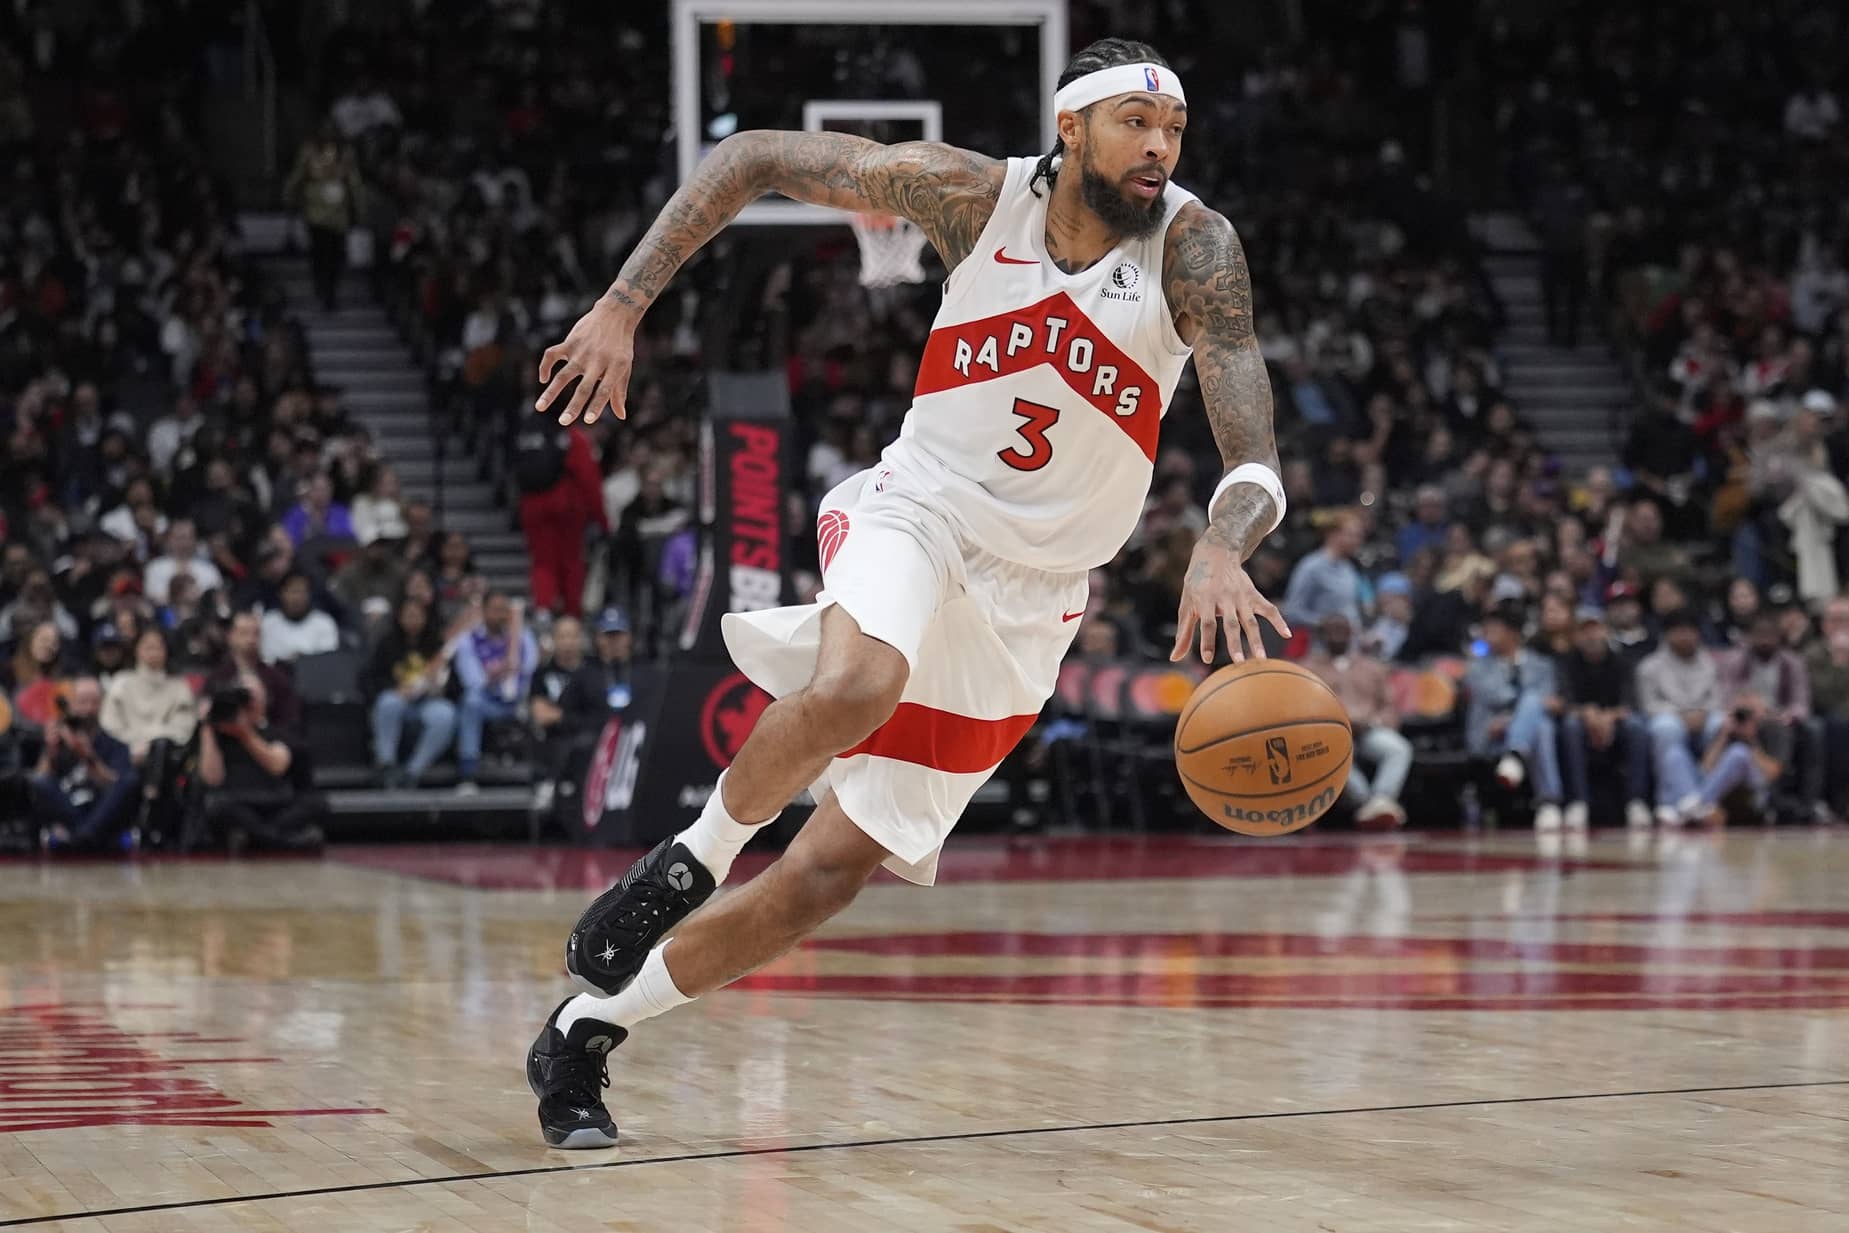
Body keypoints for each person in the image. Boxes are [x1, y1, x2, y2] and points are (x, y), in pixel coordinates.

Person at [519, 38, 1290, 1148]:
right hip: (916, 509)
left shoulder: (1194, 247)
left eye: (1171, 130)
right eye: (1134, 123)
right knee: (858, 683)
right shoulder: (972, 196)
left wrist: (1224, 543)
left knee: (827, 874)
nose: (1158, 149)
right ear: (1069, 129)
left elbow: (1250, 446)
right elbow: (751, 158)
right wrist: (622, 306)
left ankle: (586, 1031)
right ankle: (686, 860)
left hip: (1035, 597)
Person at [1717, 609, 1826, 822]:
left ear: (1780, 637)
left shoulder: (1792, 662)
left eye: (1770, 635)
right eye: (1760, 635)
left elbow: (1801, 702)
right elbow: (1727, 698)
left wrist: (1788, 715)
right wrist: (1756, 711)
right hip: (1747, 718)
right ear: (1749, 637)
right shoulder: (1735, 661)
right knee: (1774, 733)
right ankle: (1773, 800)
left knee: (1813, 730)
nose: (1765, 640)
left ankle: (1809, 803)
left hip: (1782, 718)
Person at [1302, 614, 1409, 828]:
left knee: (1399, 748)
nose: (1338, 635)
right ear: (1321, 636)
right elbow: (1302, 709)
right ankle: (1371, 804)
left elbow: (1389, 706)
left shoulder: (1371, 667)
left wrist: (1373, 723)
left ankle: (1380, 798)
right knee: (1331, 755)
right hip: (1330, 734)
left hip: (1370, 729)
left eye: (1342, 630)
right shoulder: (1307, 669)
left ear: (1351, 634)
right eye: (1332, 630)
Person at [196, 675, 326, 851]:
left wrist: (245, 733)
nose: (249, 701)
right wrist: (207, 726)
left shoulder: (279, 731)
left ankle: (257, 838)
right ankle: (284, 841)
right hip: (239, 802)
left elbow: (277, 766)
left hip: (276, 801)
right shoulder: (218, 736)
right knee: (217, 805)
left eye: (254, 694)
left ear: (265, 698)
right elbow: (211, 778)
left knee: (315, 803)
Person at [1464, 605, 1564, 829]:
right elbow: (1499, 697)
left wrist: (1513, 722)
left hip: (1517, 730)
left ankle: (1515, 754)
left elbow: (1550, 700)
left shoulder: (1542, 665)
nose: (1486, 635)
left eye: (1493, 630)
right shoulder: (1478, 668)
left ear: (1513, 633)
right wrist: (1527, 712)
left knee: (1541, 725)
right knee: (1534, 706)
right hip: (1490, 734)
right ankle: (1549, 801)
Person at [1556, 609, 1652, 830]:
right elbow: (1565, 702)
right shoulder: (1568, 662)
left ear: (1606, 631)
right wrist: (1587, 714)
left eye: (1596, 629)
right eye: (1585, 631)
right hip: (1581, 724)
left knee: (1637, 726)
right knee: (1570, 726)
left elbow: (1631, 703)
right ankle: (1578, 802)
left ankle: (1636, 801)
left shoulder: (1622, 661)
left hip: (1616, 723)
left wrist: (1607, 717)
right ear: (1577, 636)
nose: (1591, 636)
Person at [1635, 608, 1726, 825]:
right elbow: (1648, 705)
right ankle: (1669, 801)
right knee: (1666, 729)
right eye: (1679, 631)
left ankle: (1708, 795)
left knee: (1721, 724)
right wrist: (1680, 716)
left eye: (1689, 631)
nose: (1685, 636)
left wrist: (1703, 713)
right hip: (1669, 716)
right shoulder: (1650, 666)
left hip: (1704, 716)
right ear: (1667, 635)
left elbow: (1718, 698)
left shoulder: (1711, 663)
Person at [100, 628, 197, 828]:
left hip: (167, 757)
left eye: (158, 647)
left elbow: (183, 728)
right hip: (127, 752)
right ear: (136, 650)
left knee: (161, 748)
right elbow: (110, 724)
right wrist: (135, 745)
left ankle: (151, 809)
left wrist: (150, 743)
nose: (153, 652)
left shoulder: (179, 687)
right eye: (147, 647)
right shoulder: (122, 683)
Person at [29, 677, 138, 851]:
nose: (88, 709)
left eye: (93, 702)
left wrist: (89, 757)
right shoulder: (59, 738)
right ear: (71, 704)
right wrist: (50, 752)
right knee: (38, 781)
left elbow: (115, 785)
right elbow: (40, 779)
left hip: (100, 809)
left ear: (101, 705)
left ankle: (81, 836)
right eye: (82, 702)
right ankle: (86, 835)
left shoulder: (116, 744)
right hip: (69, 808)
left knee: (129, 780)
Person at [362, 596, 457, 789]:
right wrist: (394, 688)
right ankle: (386, 763)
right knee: (388, 702)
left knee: (445, 715)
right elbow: (369, 679)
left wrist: (439, 686)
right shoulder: (387, 643)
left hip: (427, 702)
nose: (413, 620)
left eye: (417, 615)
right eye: (408, 615)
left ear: (425, 617)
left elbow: (454, 682)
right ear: (399, 617)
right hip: (398, 700)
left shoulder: (437, 645)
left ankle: (413, 770)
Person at [452, 591, 539, 794]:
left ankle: (541, 774)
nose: (500, 615)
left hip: (520, 701)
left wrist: (514, 678)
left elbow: (531, 670)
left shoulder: (523, 636)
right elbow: (472, 681)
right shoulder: (469, 639)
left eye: (504, 610)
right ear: (483, 612)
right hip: (489, 701)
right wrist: (497, 674)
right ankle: (468, 773)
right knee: (471, 702)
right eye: (495, 610)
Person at [206, 611, 301, 735]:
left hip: (269, 741)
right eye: (244, 633)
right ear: (230, 636)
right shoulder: (217, 677)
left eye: (256, 634)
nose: (251, 640)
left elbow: (289, 719)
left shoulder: (277, 677)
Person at [1804, 595, 1849, 816]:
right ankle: (1839, 801)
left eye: (1845, 619)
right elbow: (1821, 696)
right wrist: (1840, 662)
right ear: (1824, 624)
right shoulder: (1813, 654)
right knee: (1837, 727)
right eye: (1835, 619)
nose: (1840, 626)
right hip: (1829, 716)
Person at [1281, 512, 1364, 631]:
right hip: (1316, 645)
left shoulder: (1349, 569)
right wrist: (1324, 623)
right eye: (1352, 535)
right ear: (1333, 534)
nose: (1357, 541)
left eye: (1359, 536)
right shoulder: (1311, 567)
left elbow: (1351, 612)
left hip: (1347, 646)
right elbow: (1292, 611)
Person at [260, 572, 341, 664]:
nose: (298, 598)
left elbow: (329, 662)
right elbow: (265, 660)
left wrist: (303, 661)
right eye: (294, 591)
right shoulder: (268, 622)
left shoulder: (324, 623)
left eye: (302, 592)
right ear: (281, 593)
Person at [142, 519, 224, 607]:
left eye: (188, 537)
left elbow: (218, 599)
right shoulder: (155, 568)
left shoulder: (209, 569)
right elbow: (152, 598)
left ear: (195, 540)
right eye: (179, 537)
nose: (183, 543)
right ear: (169, 539)